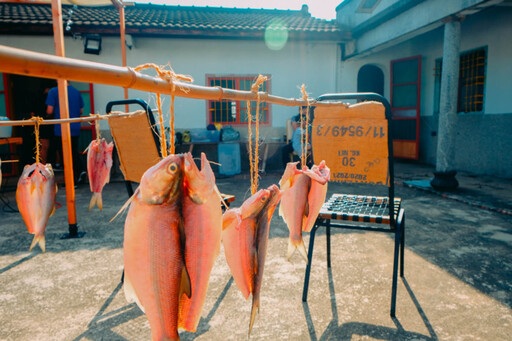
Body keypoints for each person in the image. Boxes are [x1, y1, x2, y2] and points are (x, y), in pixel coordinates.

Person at [45, 82, 84, 186]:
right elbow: (81, 110)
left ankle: (72, 181)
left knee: (65, 155)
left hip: (61, 128)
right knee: (73, 152)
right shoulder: (76, 92)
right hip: (75, 126)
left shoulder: (53, 91)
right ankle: (80, 171)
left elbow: (49, 110)